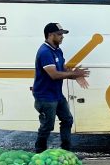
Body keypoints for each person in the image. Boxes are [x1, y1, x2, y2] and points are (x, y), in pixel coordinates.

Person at [32, 22, 89, 152]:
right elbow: (54, 74)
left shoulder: (57, 50)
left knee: (67, 120)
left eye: (63, 34)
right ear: (50, 35)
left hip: (56, 94)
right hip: (45, 96)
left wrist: (75, 75)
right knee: (47, 126)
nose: (62, 37)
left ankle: (66, 150)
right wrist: (75, 74)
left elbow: (62, 69)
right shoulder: (45, 52)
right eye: (59, 34)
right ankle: (39, 152)